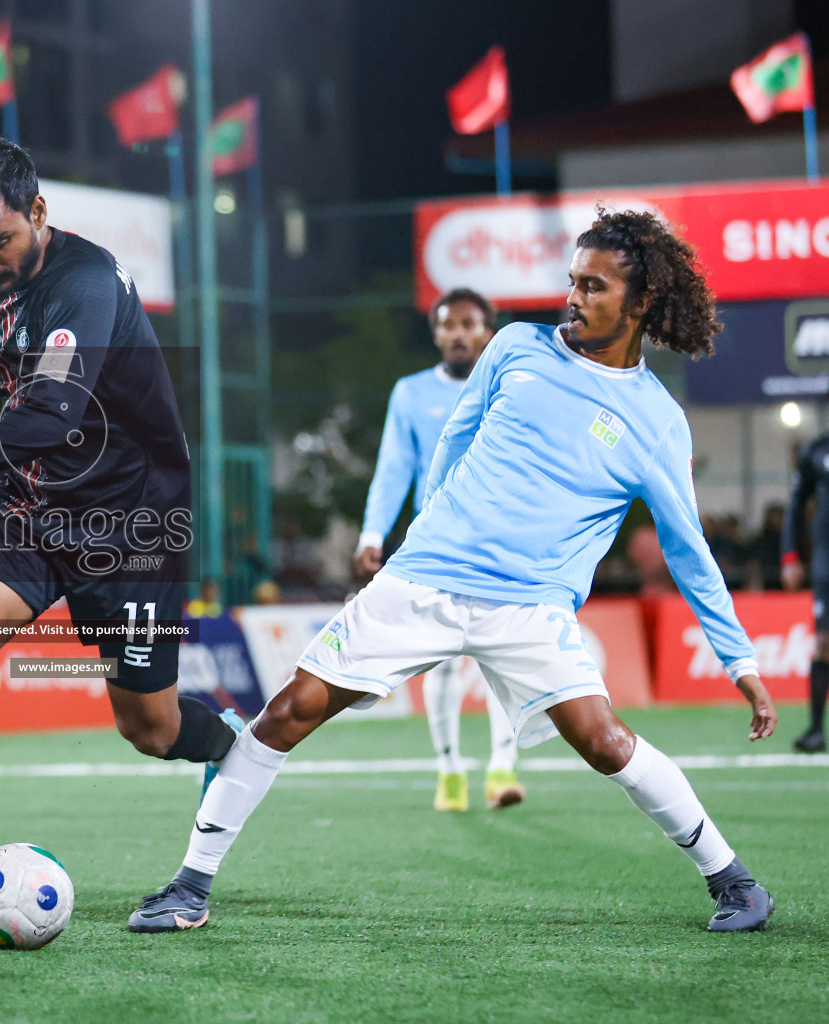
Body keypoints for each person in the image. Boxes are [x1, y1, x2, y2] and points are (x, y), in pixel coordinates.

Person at [128, 209, 778, 935]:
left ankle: (735, 883)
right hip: (424, 580)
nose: (574, 296)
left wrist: (740, 659)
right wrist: (425, 533)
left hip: (529, 608)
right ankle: (189, 887)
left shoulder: (657, 420)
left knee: (605, 742)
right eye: (572, 280)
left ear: (643, 300)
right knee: (288, 712)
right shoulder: (517, 347)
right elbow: (454, 444)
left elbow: (689, 549)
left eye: (593, 286)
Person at [0, 135, 237, 920]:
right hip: (37, 502)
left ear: (38, 213)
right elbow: (27, 408)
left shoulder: (84, 284)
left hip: (132, 520)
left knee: (150, 729)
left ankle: (229, 742)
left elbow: (58, 410)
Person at [354, 287, 523, 811]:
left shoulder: (511, 388)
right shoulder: (410, 393)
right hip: (436, 545)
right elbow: (393, 468)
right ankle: (449, 769)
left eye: (470, 325)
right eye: (449, 325)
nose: (459, 334)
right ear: (436, 333)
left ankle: (502, 769)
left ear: (488, 332)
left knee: (502, 660)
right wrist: (371, 534)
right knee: (442, 662)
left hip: (502, 544)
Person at [781, 432, 829, 752]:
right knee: (824, 643)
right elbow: (796, 506)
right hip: (827, 562)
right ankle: (815, 730)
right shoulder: (816, 451)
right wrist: (790, 556)